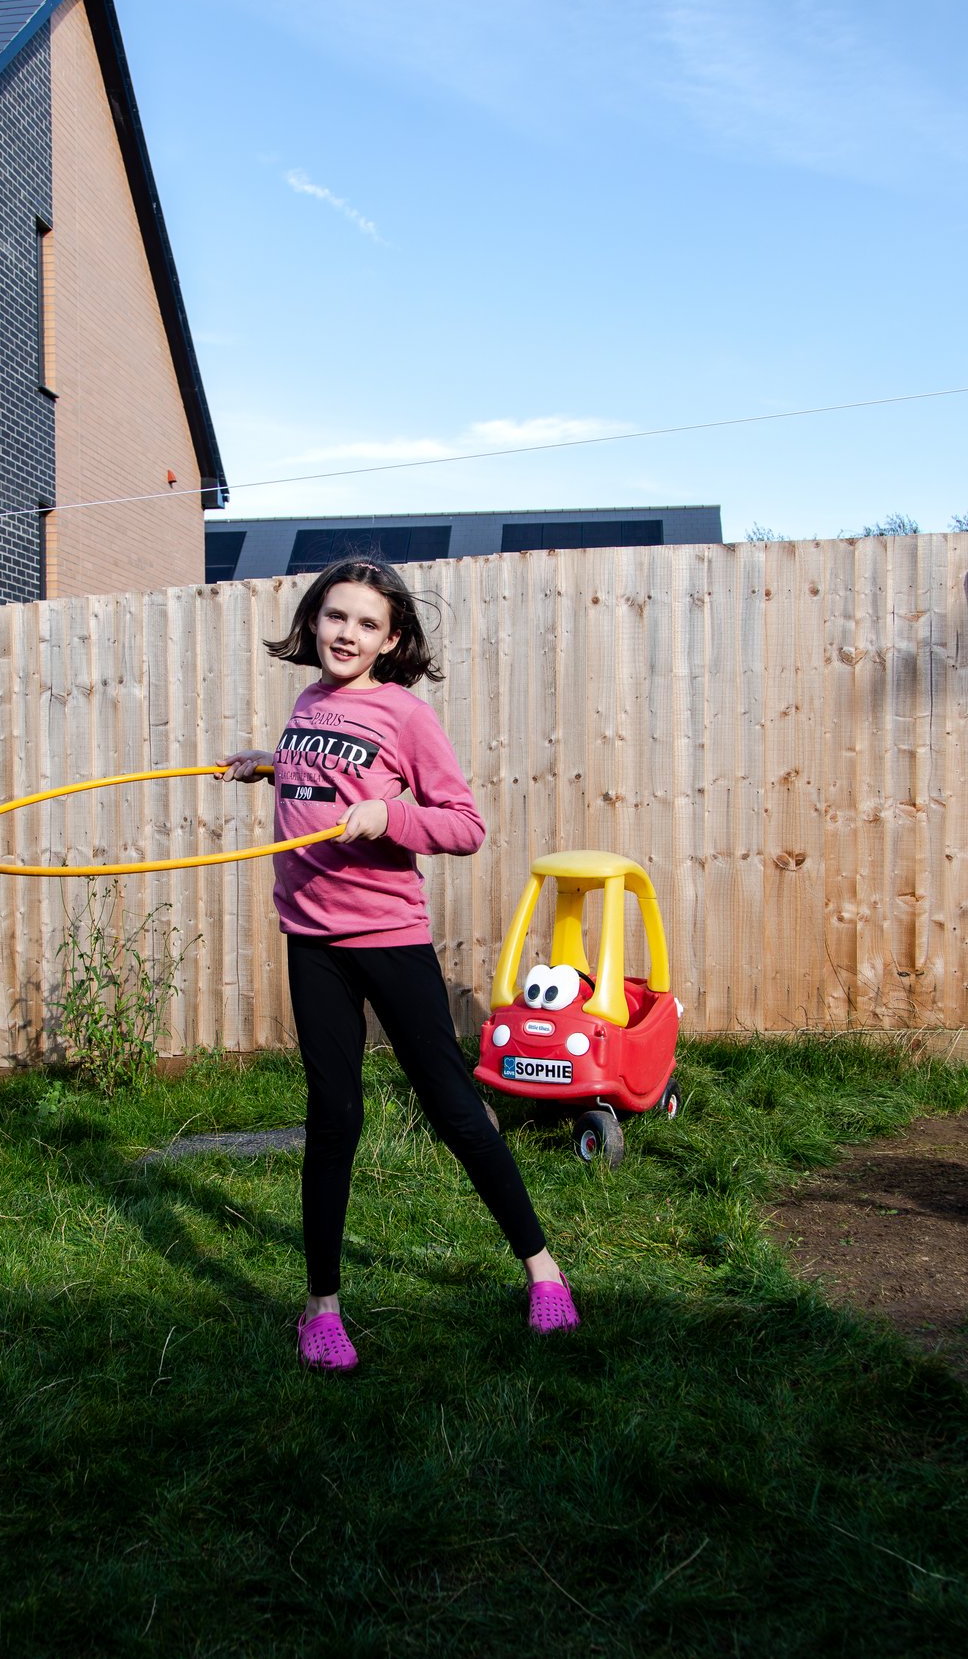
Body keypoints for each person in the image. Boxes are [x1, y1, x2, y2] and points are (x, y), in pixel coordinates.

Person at [223, 558, 576, 1372]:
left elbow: (463, 823)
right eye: (335, 616)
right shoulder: (308, 702)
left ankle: (543, 1269)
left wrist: (391, 815)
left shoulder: (405, 714)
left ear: (391, 639)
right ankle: (321, 1308)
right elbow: (328, 776)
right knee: (333, 1116)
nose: (346, 633)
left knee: (454, 1107)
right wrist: (269, 763)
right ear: (314, 619)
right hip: (311, 940)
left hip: (387, 939)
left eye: (366, 623)